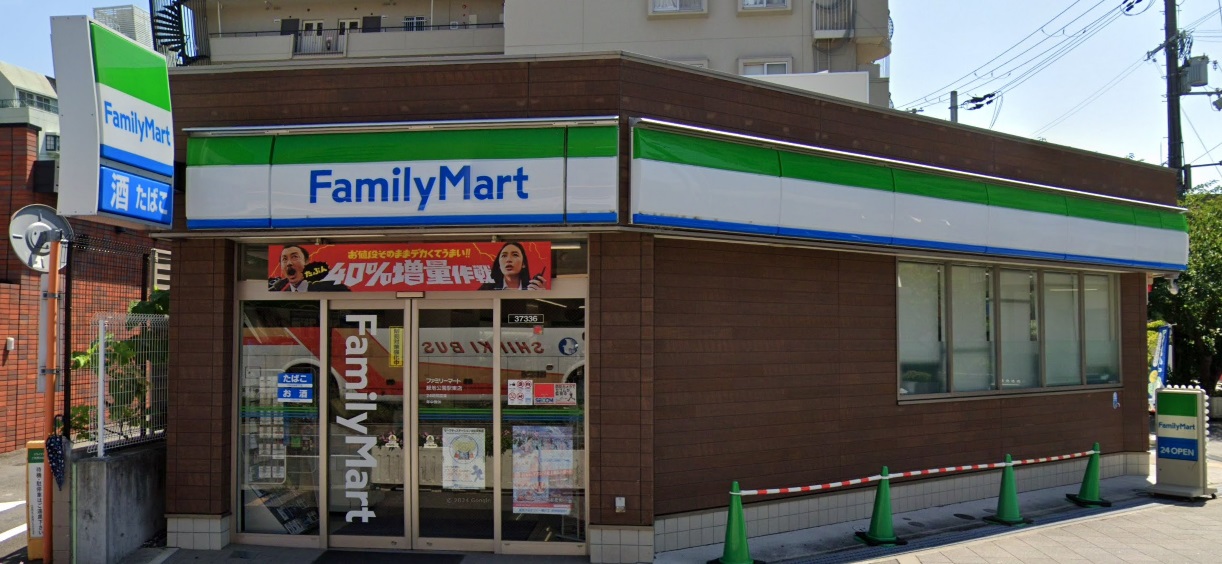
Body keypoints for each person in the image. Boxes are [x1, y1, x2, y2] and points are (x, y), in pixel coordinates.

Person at [268, 244, 349, 292]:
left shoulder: (333, 287)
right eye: (284, 259)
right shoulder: (280, 291)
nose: (289, 263)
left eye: (294, 257)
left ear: (307, 262)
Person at [480, 242, 547, 290]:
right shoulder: (488, 289)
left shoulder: (532, 288)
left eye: (515, 255)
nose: (508, 260)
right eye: (504, 256)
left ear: (523, 264)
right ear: (499, 265)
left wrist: (541, 295)